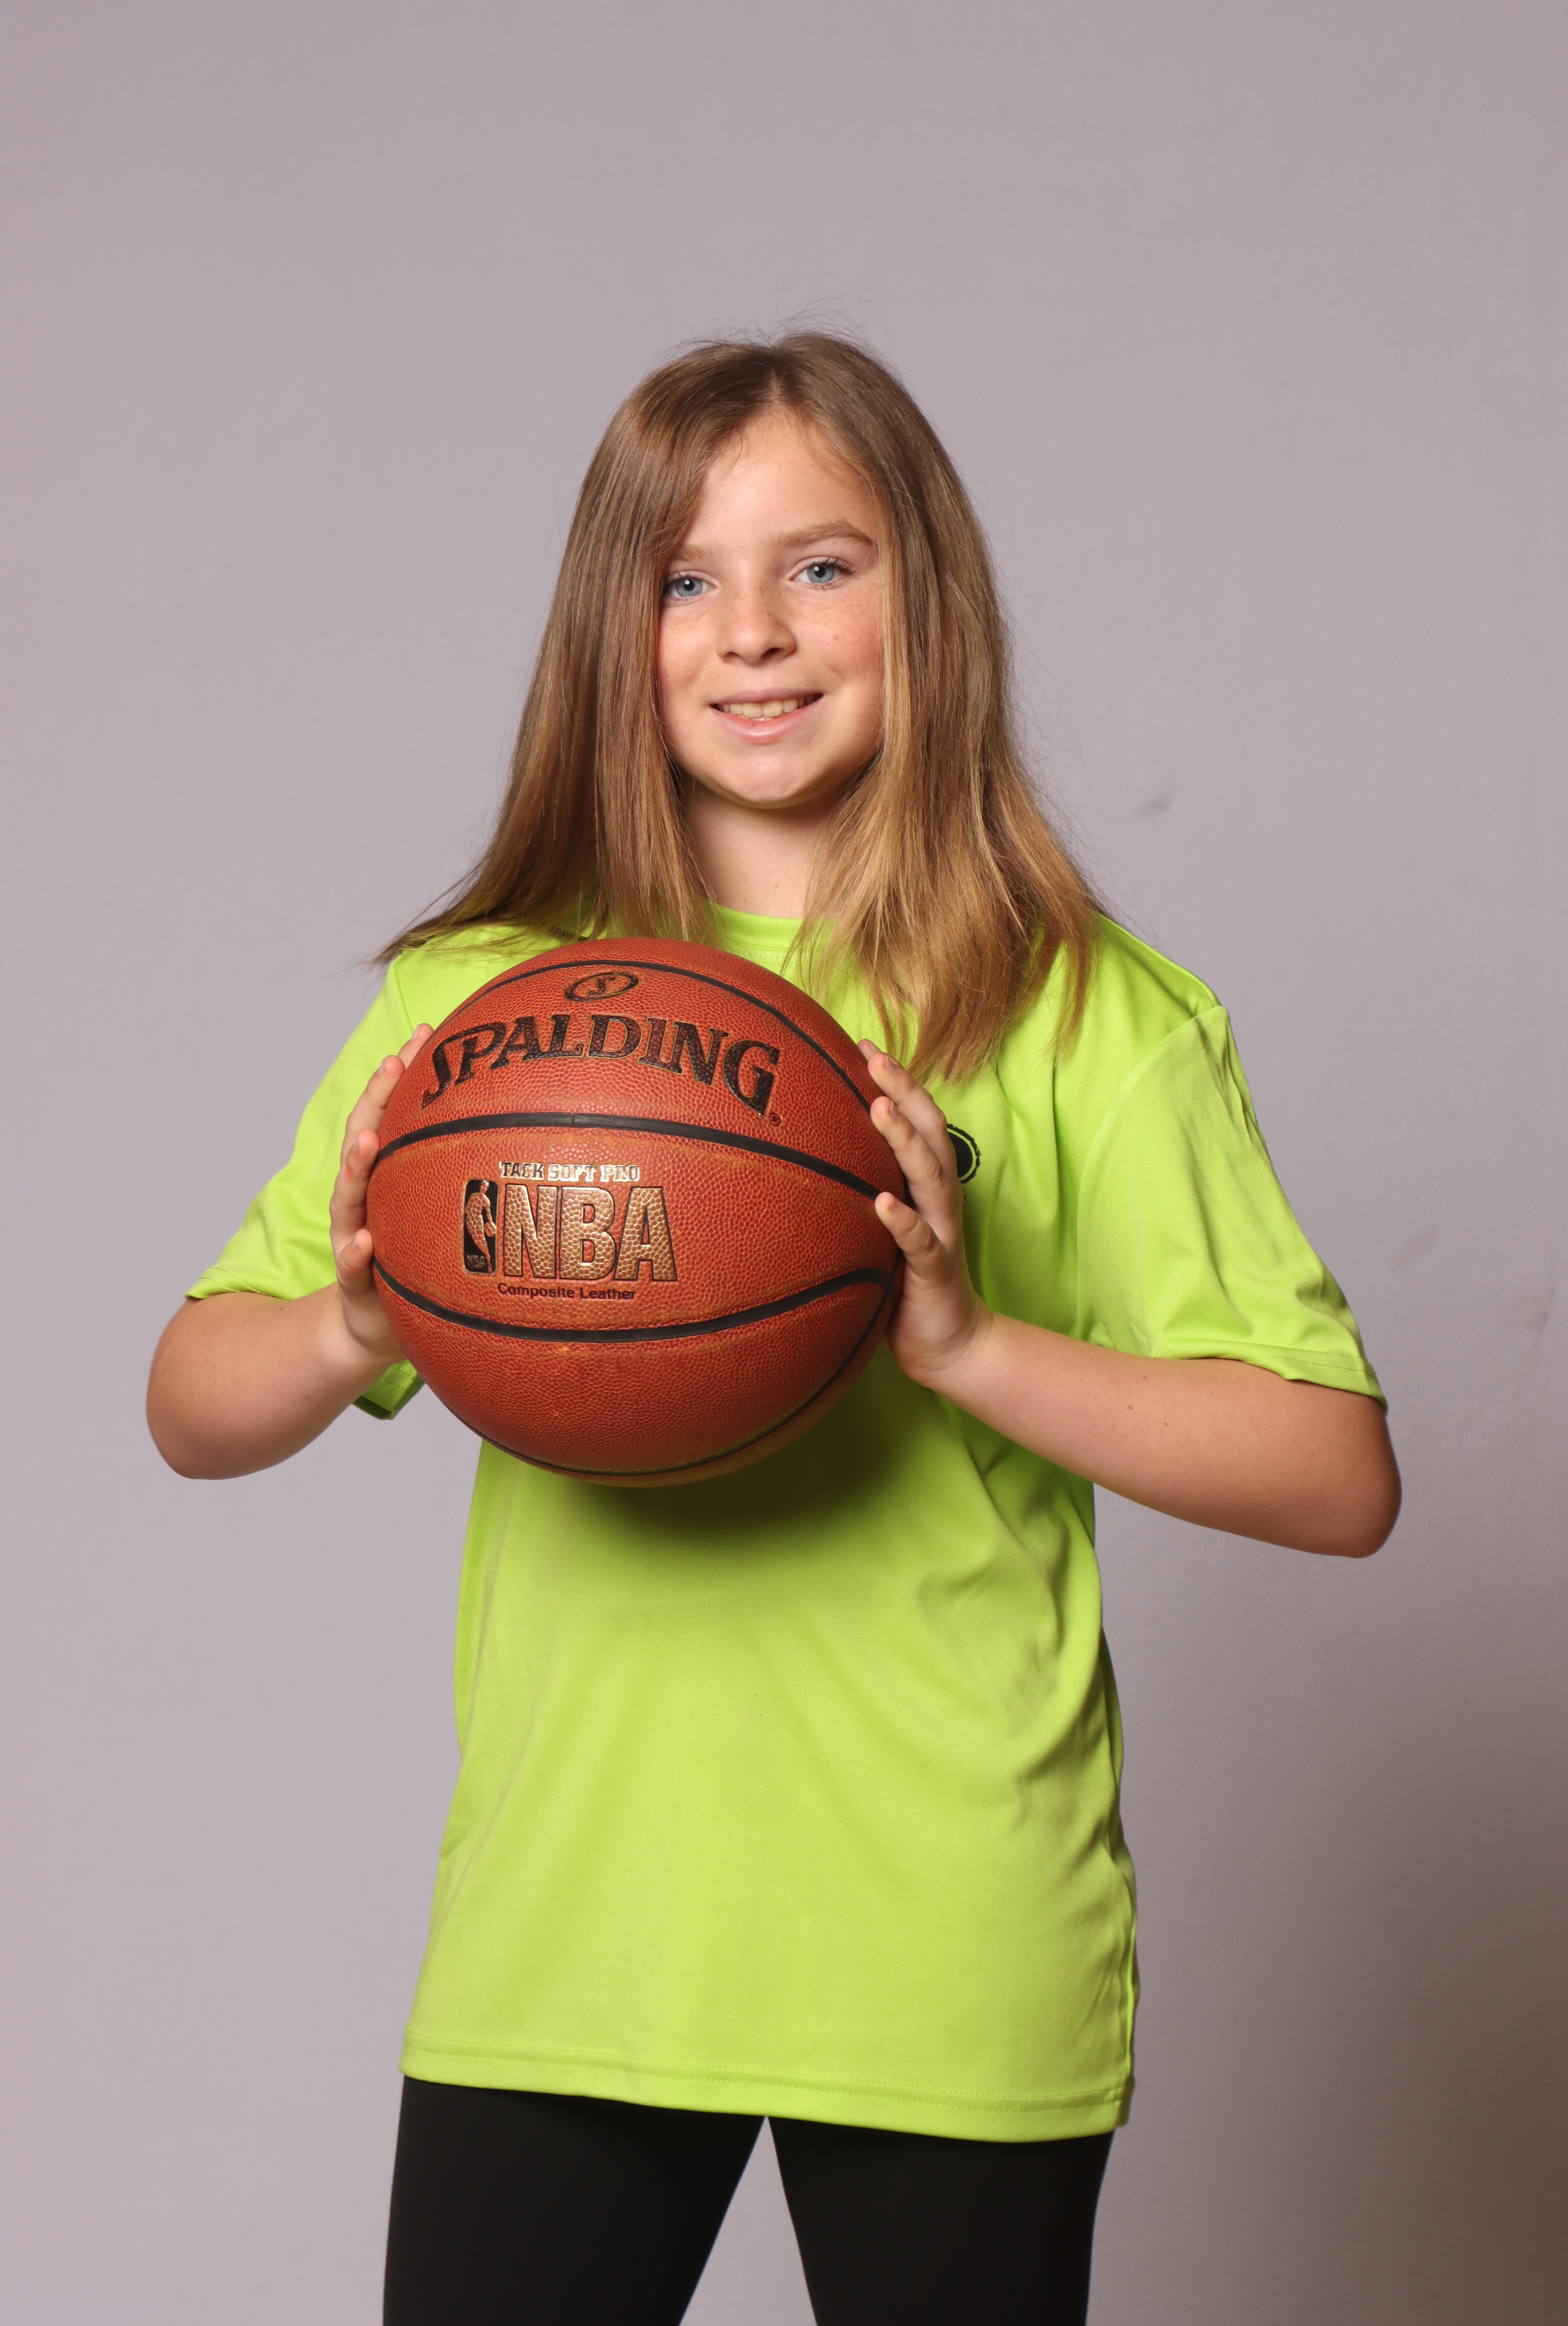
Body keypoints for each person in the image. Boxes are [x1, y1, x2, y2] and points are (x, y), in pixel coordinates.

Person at [146, 334, 1401, 2326]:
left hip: (947, 1950)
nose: (754, 631)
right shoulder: (478, 1021)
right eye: (686, 578)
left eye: (823, 566)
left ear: (930, 603)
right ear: (613, 630)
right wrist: (356, 1315)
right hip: (571, 1948)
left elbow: (1336, 1478)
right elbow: (192, 1406)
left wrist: (969, 1346)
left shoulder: (1084, 1013)